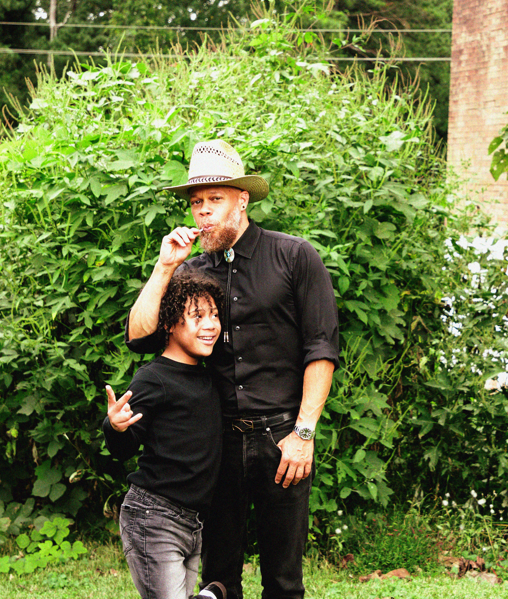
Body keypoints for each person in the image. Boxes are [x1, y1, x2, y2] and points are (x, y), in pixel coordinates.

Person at [126, 139, 339, 599]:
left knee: (283, 580)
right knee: (219, 579)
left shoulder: (294, 256)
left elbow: (321, 348)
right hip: (216, 443)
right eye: (197, 203)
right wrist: (164, 269)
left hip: (283, 440)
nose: (203, 212)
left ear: (242, 201)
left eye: (214, 200)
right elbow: (141, 336)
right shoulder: (191, 274)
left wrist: (303, 434)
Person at [104, 266, 229, 599]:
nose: (211, 325)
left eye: (214, 315)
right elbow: (123, 447)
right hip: (153, 517)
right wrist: (115, 426)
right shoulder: (153, 378)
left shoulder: (208, 377)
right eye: (198, 316)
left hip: (193, 521)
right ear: (172, 323)